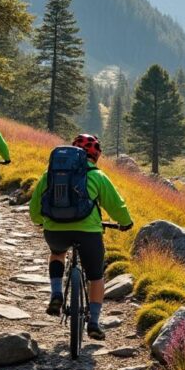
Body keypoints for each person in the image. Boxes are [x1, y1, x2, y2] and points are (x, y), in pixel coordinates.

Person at [29, 133, 133, 341]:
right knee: (95, 276)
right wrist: (126, 223)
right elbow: (115, 205)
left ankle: (57, 293)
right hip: (89, 233)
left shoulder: (50, 173)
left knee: (57, 254)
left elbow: (35, 207)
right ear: (95, 155)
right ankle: (93, 321)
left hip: (55, 231)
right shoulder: (97, 175)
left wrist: (40, 220)